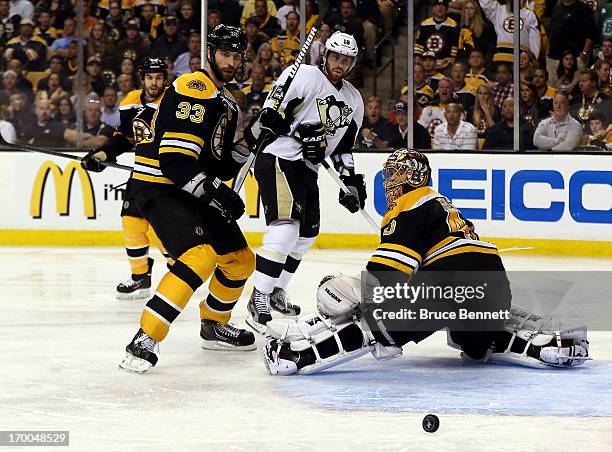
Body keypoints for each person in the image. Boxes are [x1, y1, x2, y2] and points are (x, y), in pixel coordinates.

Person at [261, 149, 590, 375]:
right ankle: (549, 344)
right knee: (474, 343)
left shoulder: (409, 204)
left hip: (449, 286)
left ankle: (297, 354)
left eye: (392, 176)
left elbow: (387, 276)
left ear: (405, 178)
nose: (388, 183)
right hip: (492, 283)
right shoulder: (442, 204)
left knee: (377, 324)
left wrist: (349, 293)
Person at [118, 25, 256, 373]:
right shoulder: (196, 87)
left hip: (187, 186)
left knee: (239, 260)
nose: (231, 61)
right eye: (225, 53)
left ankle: (213, 325)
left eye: (237, 55)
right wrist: (215, 192)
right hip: (160, 185)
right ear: (210, 53)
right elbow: (175, 161)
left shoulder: (225, 101)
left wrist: (256, 138)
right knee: (201, 255)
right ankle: (145, 337)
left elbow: (217, 163)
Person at [244, 31, 365, 332]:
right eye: (336, 57)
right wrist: (294, 130)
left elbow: (344, 146)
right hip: (279, 157)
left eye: (346, 60)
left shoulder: (353, 99)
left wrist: (350, 182)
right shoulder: (305, 75)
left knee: (307, 234)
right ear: (326, 56)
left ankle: (274, 291)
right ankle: (258, 296)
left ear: (353, 63)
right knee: (285, 228)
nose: (340, 64)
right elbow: (273, 117)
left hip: (307, 168)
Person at [82, 58, 170, 300]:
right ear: (142, 79)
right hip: (141, 172)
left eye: (158, 77)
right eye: (150, 77)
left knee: (161, 228)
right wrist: (102, 153)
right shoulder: (130, 101)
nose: (154, 82)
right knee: (131, 222)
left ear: (165, 79)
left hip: (169, 175)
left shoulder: (173, 102)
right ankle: (140, 277)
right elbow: (126, 137)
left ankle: (181, 266)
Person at [415, 0, 460, 72]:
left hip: (446, 65)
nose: (440, 8)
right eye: (437, 5)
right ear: (433, 8)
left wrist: (453, 57)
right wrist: (418, 56)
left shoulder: (453, 25)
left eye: (442, 5)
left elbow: (455, 43)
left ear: (447, 9)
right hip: (427, 64)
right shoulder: (425, 24)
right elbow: (419, 42)